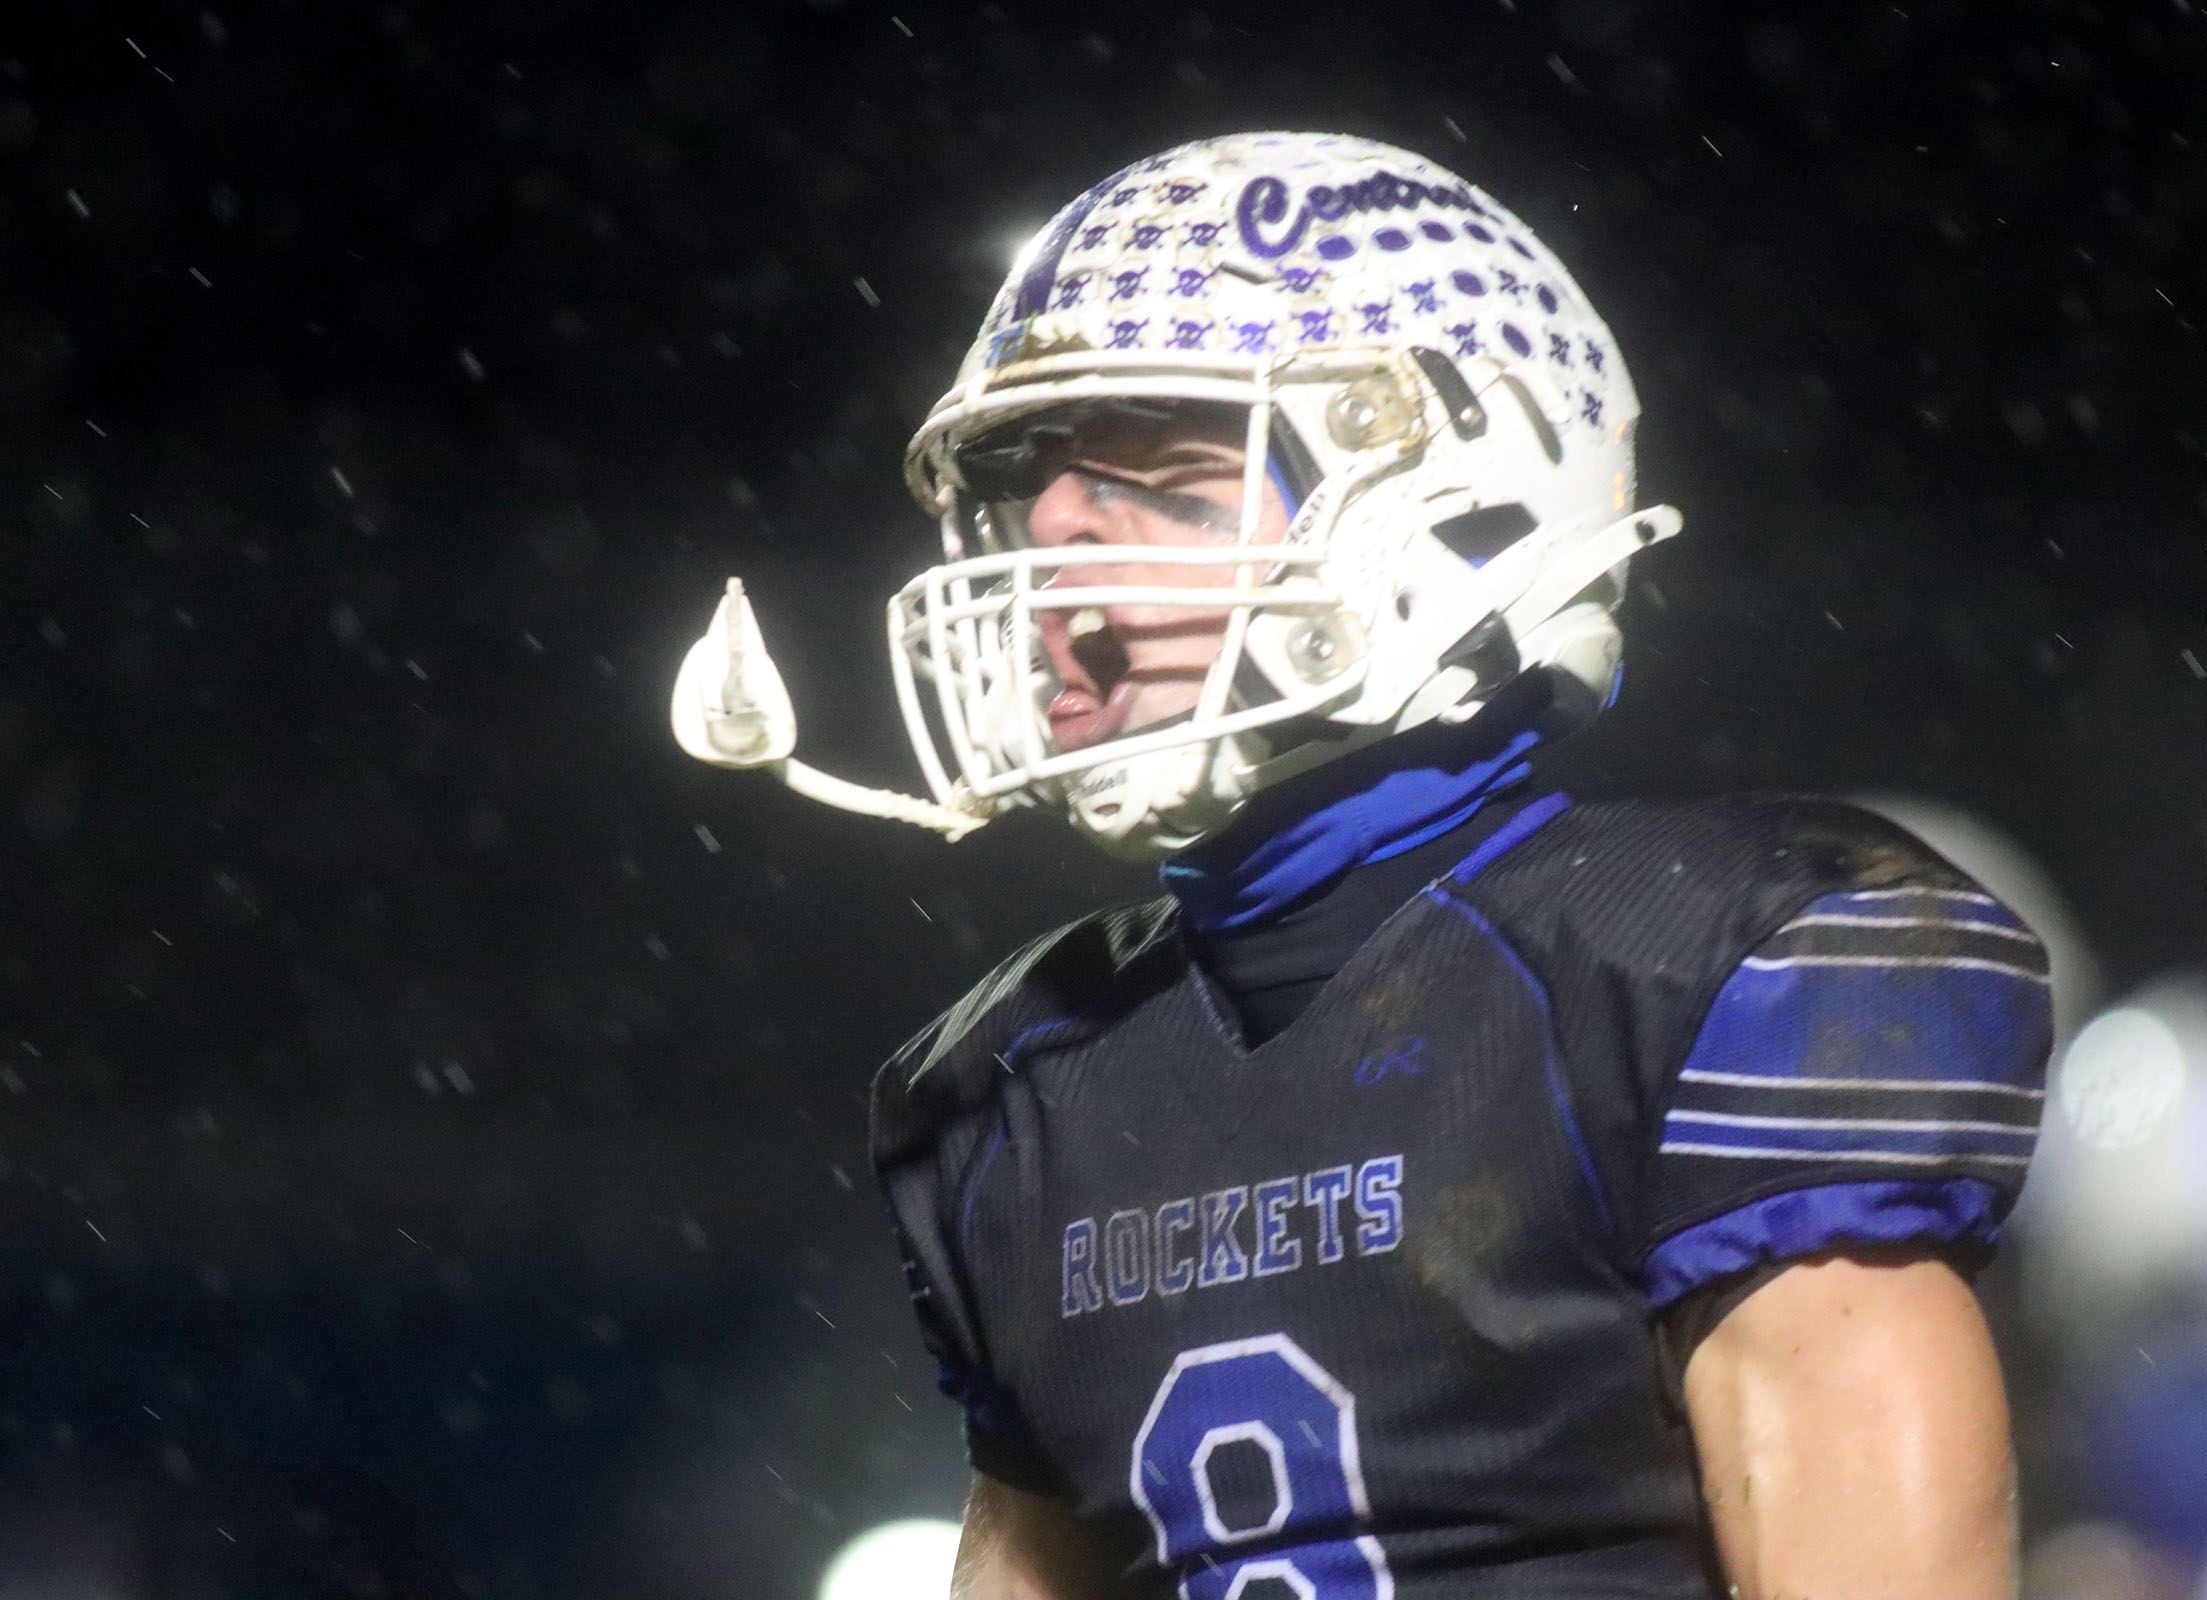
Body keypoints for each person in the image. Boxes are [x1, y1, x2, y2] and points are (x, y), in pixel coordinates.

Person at [689, 131, 2053, 1598]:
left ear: (1454, 514)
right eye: (1040, 479)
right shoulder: (1018, 1087)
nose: (1062, 527)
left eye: (1170, 469)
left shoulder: (1708, 970)